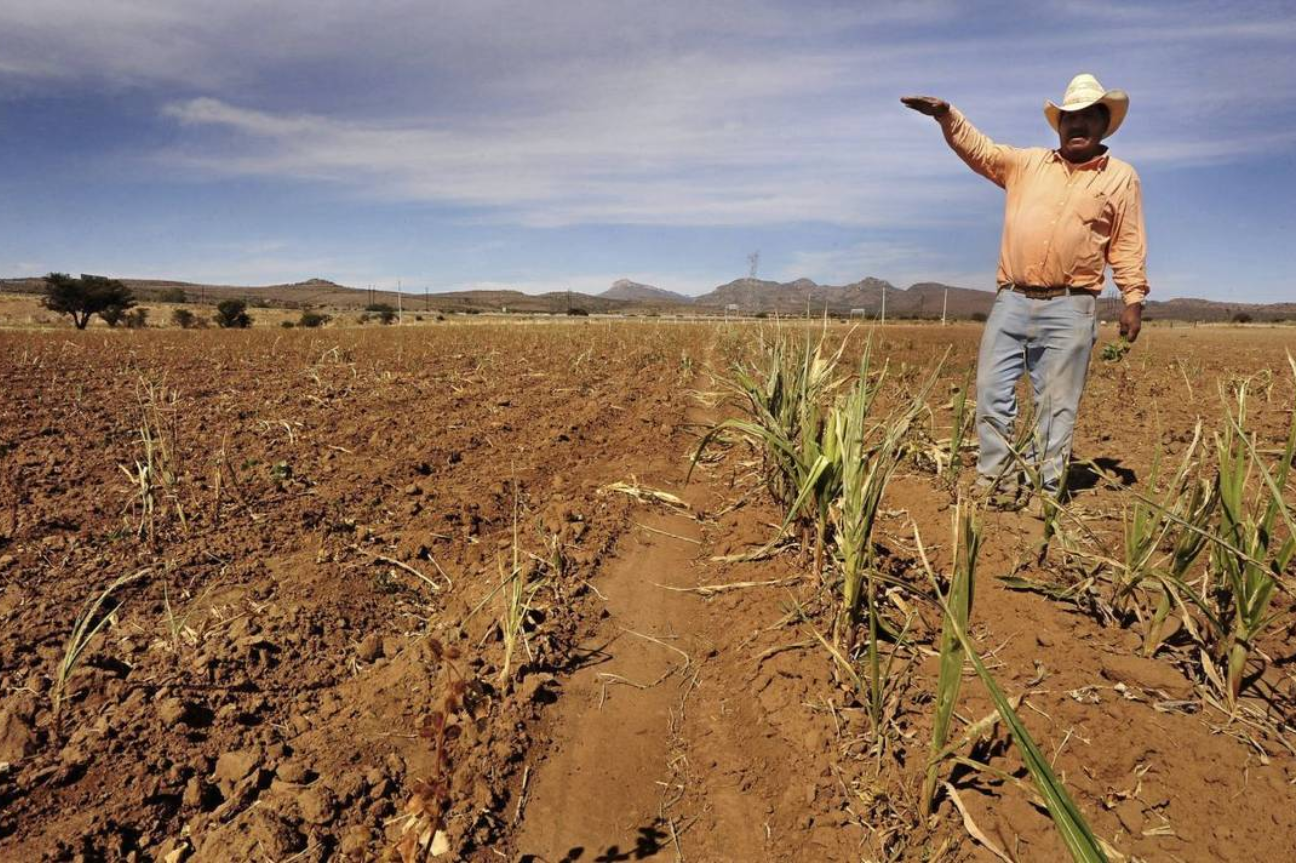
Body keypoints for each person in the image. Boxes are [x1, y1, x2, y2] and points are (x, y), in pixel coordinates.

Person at [902, 73, 1148, 506]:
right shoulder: (1026, 164)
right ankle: (995, 482)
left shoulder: (1120, 178)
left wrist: (1133, 298)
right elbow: (981, 151)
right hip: (1012, 300)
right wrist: (947, 116)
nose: (1077, 125)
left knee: (1057, 406)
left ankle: (1042, 491)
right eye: (1070, 118)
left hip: (1072, 307)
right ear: (1058, 125)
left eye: (1089, 117)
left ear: (1104, 126)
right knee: (993, 394)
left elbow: (1126, 242)